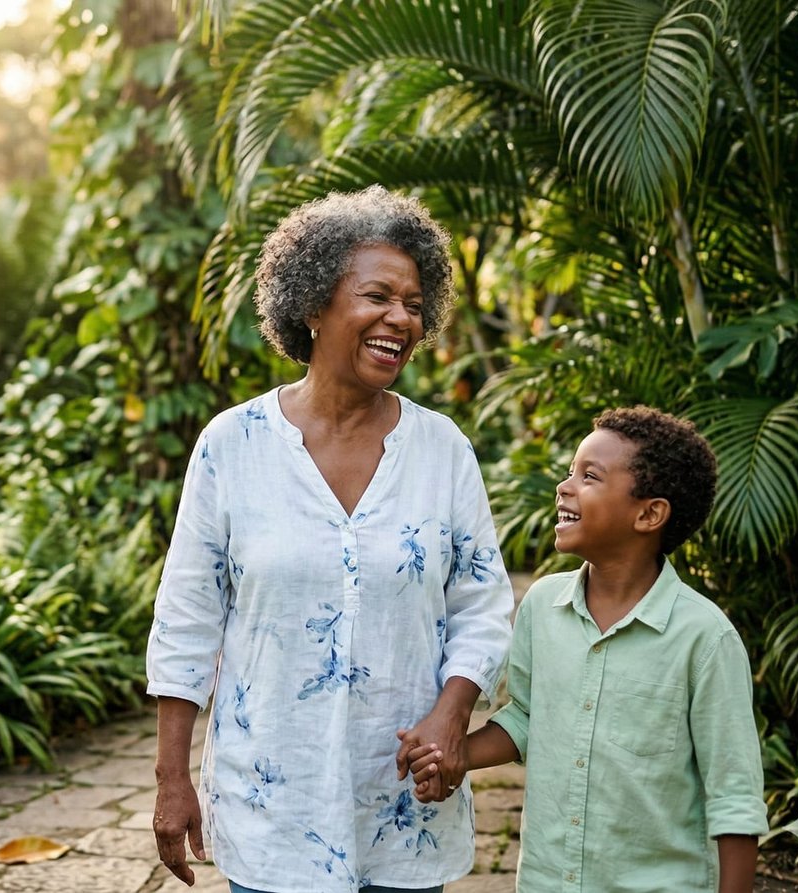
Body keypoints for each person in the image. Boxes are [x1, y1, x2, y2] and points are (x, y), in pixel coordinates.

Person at [147, 186, 513, 893]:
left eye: (413, 303)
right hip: (274, 803)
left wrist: (452, 712)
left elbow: (483, 601)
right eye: (377, 296)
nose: (400, 319)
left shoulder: (441, 449)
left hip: (405, 800)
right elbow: (186, 620)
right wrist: (172, 779)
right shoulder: (233, 445)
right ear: (312, 305)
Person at [401, 406, 767, 893]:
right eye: (570, 471)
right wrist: (453, 755)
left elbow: (734, 797)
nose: (564, 487)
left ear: (650, 513)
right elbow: (527, 720)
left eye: (589, 476)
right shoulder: (542, 606)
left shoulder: (704, 638)